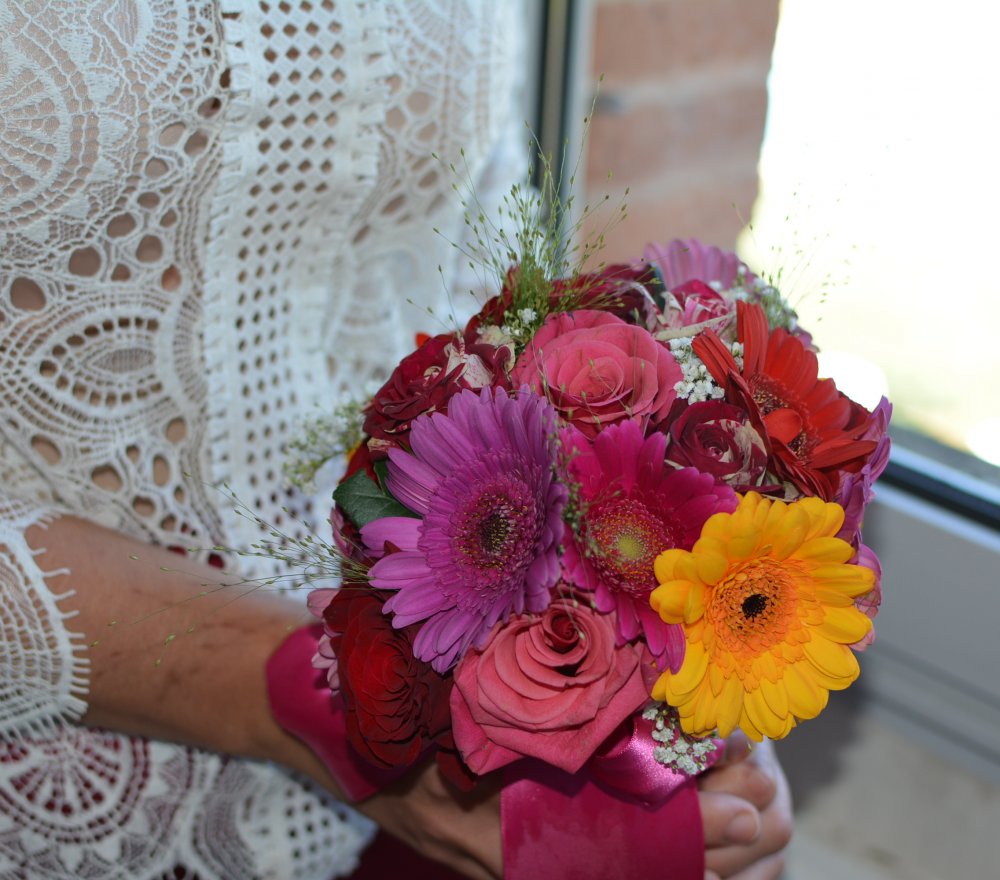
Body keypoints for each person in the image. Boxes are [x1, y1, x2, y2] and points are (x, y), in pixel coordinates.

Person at [0, 3, 792, 878]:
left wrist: (655, 684)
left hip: (437, 746)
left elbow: (466, 260)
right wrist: (329, 706)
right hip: (77, 792)